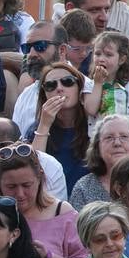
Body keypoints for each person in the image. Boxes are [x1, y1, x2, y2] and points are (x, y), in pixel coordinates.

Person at [69, 114, 129, 211]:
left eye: (124, 136)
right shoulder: (83, 188)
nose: (117, 143)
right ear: (97, 146)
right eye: (109, 137)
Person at [27, 61, 91, 189]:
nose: (59, 88)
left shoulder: (93, 124)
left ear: (80, 88)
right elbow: (32, 171)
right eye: (50, 85)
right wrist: (44, 125)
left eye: (67, 81)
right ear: (44, 95)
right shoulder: (37, 128)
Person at [11, 20, 66, 132]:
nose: (31, 54)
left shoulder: (85, 89)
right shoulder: (25, 96)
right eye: (27, 48)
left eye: (40, 46)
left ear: (61, 50)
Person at [83, 32, 129, 126]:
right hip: (99, 138)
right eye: (97, 54)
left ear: (122, 59)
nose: (101, 59)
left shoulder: (128, 87)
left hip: (123, 135)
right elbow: (91, 110)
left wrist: (128, 128)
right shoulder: (90, 85)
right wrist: (98, 83)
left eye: (108, 55)